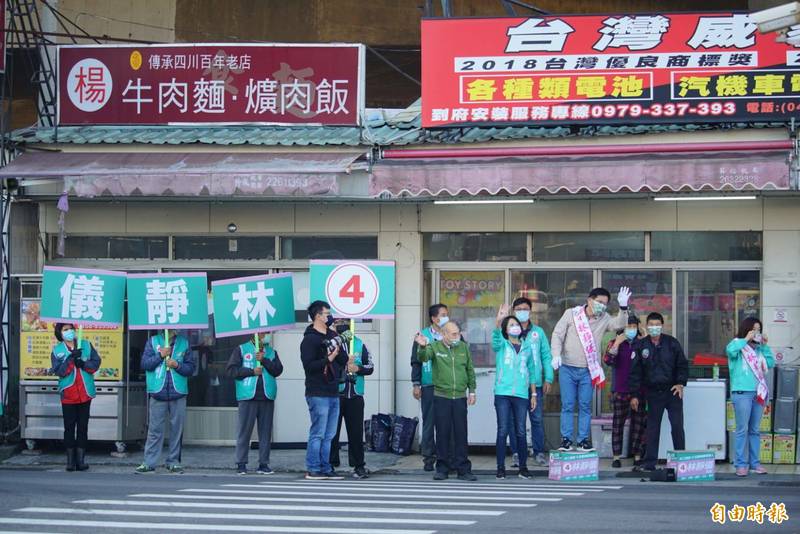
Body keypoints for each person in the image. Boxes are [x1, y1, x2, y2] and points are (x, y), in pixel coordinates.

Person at [551, 286, 633, 451]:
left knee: (585, 405)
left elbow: (619, 324)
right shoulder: (571, 314)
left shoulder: (604, 318)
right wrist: (555, 354)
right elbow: (557, 334)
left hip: (588, 370)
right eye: (599, 302)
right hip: (567, 367)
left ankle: (582, 440)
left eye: (605, 303)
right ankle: (566, 439)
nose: (602, 306)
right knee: (567, 404)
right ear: (589, 300)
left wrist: (623, 308)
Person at [415, 321, 477, 481]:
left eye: (458, 333)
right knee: (442, 433)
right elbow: (423, 357)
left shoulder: (463, 347)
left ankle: (463, 468)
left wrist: (472, 391)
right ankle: (442, 468)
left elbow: (469, 369)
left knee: (461, 433)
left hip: (460, 397)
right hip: (441, 396)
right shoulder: (435, 347)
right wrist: (421, 346)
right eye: (454, 334)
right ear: (444, 334)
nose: (458, 336)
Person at [629, 312, 688, 472]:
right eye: (651, 325)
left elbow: (682, 365)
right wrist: (634, 394)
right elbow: (635, 372)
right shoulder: (642, 345)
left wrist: (680, 384)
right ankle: (650, 462)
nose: (654, 327)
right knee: (653, 428)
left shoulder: (672, 343)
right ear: (647, 326)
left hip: (673, 391)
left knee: (677, 426)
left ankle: (680, 459)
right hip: (653, 392)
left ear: (662, 326)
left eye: (657, 325)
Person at [136, 329, 196, 474]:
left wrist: (177, 365)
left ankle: (174, 462)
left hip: (178, 392)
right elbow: (145, 364)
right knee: (154, 430)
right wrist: (160, 355)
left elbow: (191, 368)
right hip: (158, 391)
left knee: (177, 429)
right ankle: (149, 463)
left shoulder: (184, 343)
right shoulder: (153, 341)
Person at [301, 300, 348, 480]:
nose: (330, 317)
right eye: (327, 314)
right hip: (317, 391)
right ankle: (313, 468)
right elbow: (309, 366)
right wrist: (328, 359)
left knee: (329, 434)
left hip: (333, 390)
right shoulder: (309, 339)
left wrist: (341, 350)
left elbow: (342, 359)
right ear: (318, 316)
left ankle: (326, 467)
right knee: (318, 432)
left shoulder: (331, 334)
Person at [226, 331, 284, 476]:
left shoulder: (271, 352)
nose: (268, 335)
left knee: (265, 433)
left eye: (269, 332)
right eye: (266, 333)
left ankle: (263, 464)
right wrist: (251, 371)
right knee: (244, 431)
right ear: (256, 334)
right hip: (247, 396)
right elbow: (231, 371)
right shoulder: (241, 349)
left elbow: (278, 370)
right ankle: (241, 463)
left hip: (267, 396)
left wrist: (264, 360)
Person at [492, 305, 537, 480]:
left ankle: (523, 467)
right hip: (502, 393)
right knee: (503, 430)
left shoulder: (526, 347)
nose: (514, 327)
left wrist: (533, 394)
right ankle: (500, 467)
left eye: (516, 324)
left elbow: (532, 371)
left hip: (521, 394)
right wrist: (499, 320)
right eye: (510, 324)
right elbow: (495, 338)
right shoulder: (502, 344)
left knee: (520, 431)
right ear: (505, 329)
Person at [726, 317, 775, 477]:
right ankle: (740, 464)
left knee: (755, 430)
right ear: (746, 329)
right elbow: (730, 351)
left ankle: (755, 463)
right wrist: (745, 339)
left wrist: (766, 346)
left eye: (758, 330)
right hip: (742, 393)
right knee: (742, 429)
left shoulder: (759, 350)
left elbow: (770, 363)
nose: (756, 333)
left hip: (758, 393)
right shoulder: (737, 346)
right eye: (753, 329)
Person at [507, 296, 552, 467]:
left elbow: (546, 355)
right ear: (513, 312)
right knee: (514, 420)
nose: (522, 312)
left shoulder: (538, 332)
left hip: (535, 385)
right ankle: (518, 453)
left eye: (525, 309)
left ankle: (539, 452)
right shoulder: (508, 332)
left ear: (530, 311)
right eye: (518, 309)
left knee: (537, 419)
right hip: (515, 385)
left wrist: (548, 377)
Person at [50, 323, 101, 472]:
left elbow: (96, 363)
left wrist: (83, 363)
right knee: (69, 427)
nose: (69, 332)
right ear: (60, 332)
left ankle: (81, 461)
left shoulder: (86, 344)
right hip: (68, 394)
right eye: (65, 330)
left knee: (83, 427)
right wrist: (71, 359)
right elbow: (59, 371)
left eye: (70, 329)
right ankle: (70, 462)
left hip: (85, 393)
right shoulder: (57, 350)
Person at [330, 319, 374, 479]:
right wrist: (342, 365)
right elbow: (325, 366)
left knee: (355, 433)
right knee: (332, 432)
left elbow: (370, 367)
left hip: (355, 395)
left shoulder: (360, 343)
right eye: (338, 321)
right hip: (335, 394)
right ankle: (330, 463)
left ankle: (358, 465)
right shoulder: (330, 343)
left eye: (344, 321)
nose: (341, 324)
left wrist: (358, 368)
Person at [603, 315, 647, 468]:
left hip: (638, 391)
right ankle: (616, 457)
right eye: (628, 327)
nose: (631, 330)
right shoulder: (615, 343)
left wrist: (645, 337)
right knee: (618, 424)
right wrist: (617, 343)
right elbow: (608, 360)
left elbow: (648, 363)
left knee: (638, 424)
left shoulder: (641, 344)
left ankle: (637, 456)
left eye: (634, 327)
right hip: (620, 390)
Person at [411, 303, 449, 471]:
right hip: (429, 385)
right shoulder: (423, 335)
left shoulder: (451, 333)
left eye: (447, 314)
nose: (446, 317)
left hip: (448, 386)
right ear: (434, 318)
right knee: (429, 423)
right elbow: (415, 361)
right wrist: (416, 384)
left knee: (447, 424)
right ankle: (428, 458)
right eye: (443, 314)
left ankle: (446, 456)